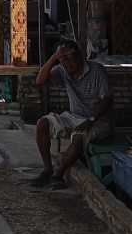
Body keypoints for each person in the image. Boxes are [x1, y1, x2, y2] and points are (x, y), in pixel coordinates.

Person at [30, 38, 114, 190]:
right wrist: (54, 58)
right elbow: (40, 81)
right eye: (62, 60)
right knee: (42, 124)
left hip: (99, 120)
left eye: (68, 57)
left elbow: (107, 99)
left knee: (78, 136)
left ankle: (58, 175)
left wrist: (91, 120)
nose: (66, 62)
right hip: (73, 116)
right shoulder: (62, 71)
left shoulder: (96, 70)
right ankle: (48, 170)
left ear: (79, 55)